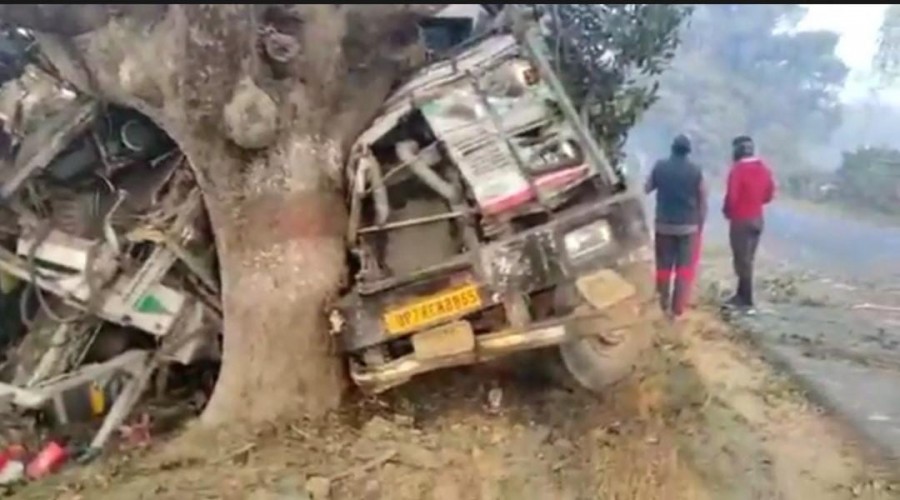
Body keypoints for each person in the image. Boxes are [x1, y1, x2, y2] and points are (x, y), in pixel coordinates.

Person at [645, 134, 707, 319]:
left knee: (664, 267)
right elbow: (703, 200)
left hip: (664, 225)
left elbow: (647, 188)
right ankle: (677, 310)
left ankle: (662, 305)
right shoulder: (696, 171)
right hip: (688, 227)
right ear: (688, 152)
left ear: (672, 148)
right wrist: (700, 225)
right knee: (684, 270)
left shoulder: (660, 166)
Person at [722, 135, 775, 313]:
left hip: (741, 220)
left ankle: (745, 298)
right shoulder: (764, 168)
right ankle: (742, 295)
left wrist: (728, 211)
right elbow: (769, 195)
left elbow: (732, 197)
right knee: (748, 259)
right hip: (758, 219)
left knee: (741, 260)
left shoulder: (737, 170)